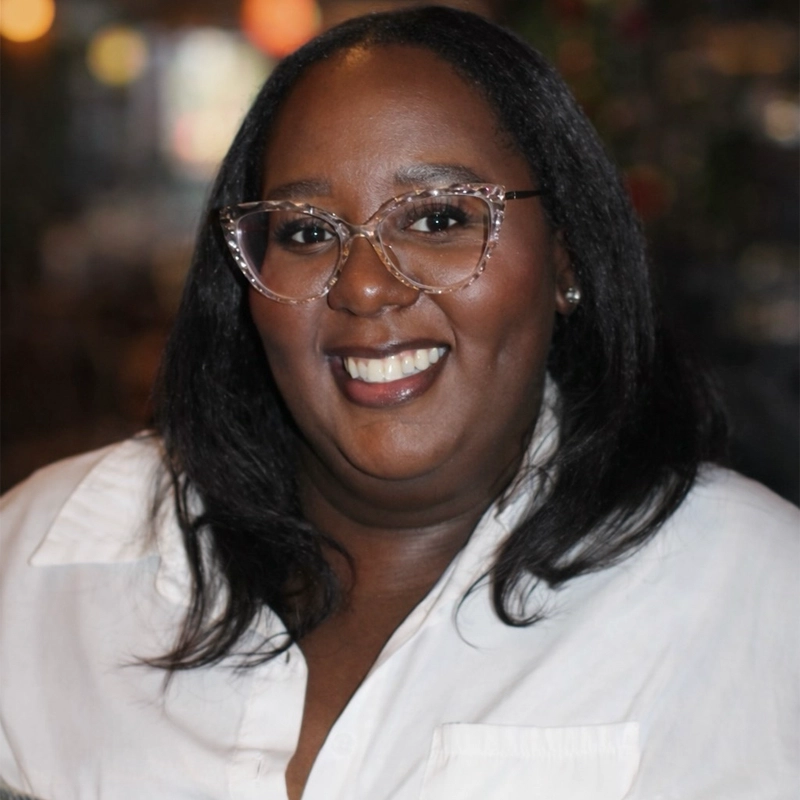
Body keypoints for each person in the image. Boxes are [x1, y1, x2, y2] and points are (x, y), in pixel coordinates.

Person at [0, 7, 797, 800]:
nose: (366, 284)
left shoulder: (750, 595)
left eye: (439, 219)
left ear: (565, 257)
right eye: (308, 233)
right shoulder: (43, 564)